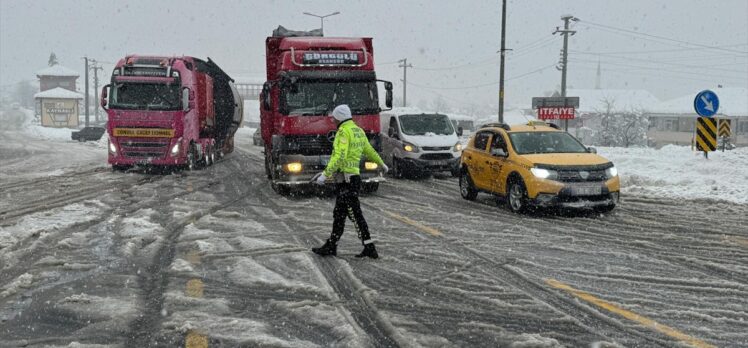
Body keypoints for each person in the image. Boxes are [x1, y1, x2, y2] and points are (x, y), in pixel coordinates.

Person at [311, 105, 388, 259]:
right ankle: (331, 245)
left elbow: (339, 156)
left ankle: (369, 247)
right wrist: (381, 163)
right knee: (339, 214)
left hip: (346, 180)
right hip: (353, 179)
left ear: (339, 117)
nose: (333, 120)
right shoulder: (358, 131)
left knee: (354, 213)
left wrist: (325, 175)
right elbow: (369, 150)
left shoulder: (343, 132)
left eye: (334, 118)